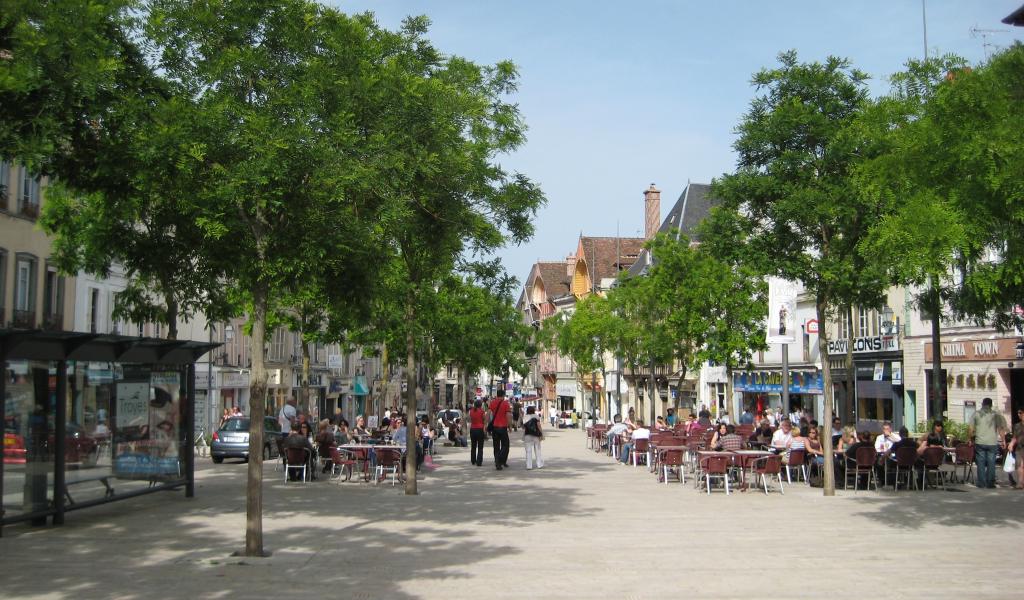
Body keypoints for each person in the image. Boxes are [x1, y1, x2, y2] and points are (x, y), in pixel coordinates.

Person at [969, 397, 1009, 489]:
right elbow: (1000, 429)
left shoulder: (976, 414)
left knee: (980, 462)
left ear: (982, 404)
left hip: (980, 442)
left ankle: (981, 483)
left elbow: (971, 428)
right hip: (992, 442)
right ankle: (990, 483)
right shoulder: (996, 415)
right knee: (991, 462)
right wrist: (1003, 440)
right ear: (991, 405)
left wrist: (970, 439)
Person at [489, 390, 512, 470]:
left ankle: (498, 462)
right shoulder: (505, 403)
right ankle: (501, 460)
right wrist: (510, 426)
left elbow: (488, 413)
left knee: (496, 446)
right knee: (505, 445)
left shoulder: (492, 403)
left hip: (495, 427)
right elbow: (508, 415)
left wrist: (486, 424)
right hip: (503, 427)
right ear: (503, 395)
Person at [522, 406, 544, 470]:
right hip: (536, 435)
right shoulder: (536, 416)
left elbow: (523, 427)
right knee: (537, 450)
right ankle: (539, 464)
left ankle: (529, 466)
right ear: (534, 410)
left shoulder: (525, 417)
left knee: (528, 451)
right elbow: (539, 426)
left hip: (527, 435)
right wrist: (541, 434)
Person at [1008, 408, 1024, 490]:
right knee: (1019, 465)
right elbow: (1014, 437)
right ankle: (1020, 483)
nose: (1019, 414)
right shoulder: (1017, 426)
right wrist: (1011, 444)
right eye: (1018, 413)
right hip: (1019, 448)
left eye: (1020, 413)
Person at [469, 400, 486, 466]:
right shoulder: (482, 411)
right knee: (480, 447)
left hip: (472, 429)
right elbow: (484, 419)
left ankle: (473, 460)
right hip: (480, 429)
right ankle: (479, 462)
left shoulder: (471, 411)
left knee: (473, 446)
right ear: (480, 405)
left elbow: (470, 419)